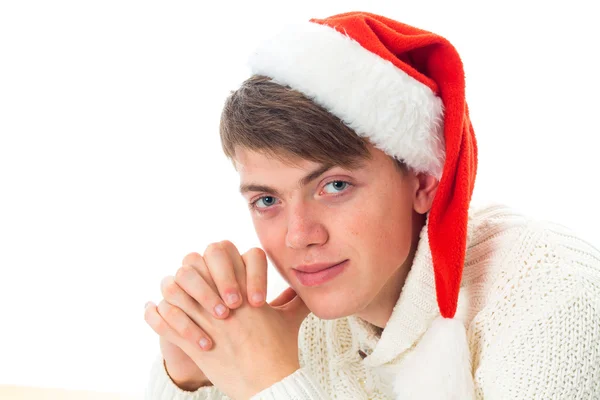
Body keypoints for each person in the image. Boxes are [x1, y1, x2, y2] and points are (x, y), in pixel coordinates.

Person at [143, 11, 600, 400]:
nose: (299, 235)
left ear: (423, 181)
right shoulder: (294, 329)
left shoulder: (553, 297)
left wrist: (273, 383)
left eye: (335, 186)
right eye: (267, 200)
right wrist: (190, 378)